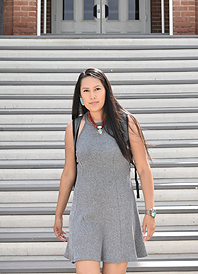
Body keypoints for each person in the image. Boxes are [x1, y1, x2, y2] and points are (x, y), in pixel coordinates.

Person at [53, 67, 155, 274]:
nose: (92, 95)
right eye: (86, 91)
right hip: (84, 216)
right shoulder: (74, 128)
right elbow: (68, 173)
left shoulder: (127, 123)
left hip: (119, 215)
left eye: (97, 89)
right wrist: (58, 215)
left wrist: (150, 212)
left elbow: (144, 169)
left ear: (106, 91)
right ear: (80, 96)